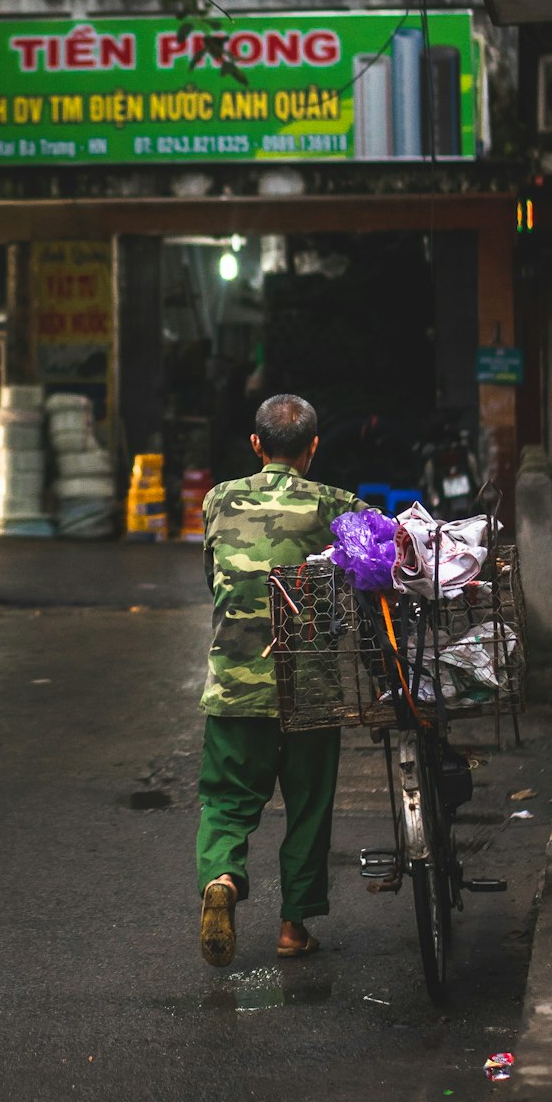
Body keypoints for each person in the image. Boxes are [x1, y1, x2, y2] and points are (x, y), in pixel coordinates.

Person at [197, 392, 367, 967]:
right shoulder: (336, 506)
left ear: (255, 444)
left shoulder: (218, 500)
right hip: (309, 690)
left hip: (234, 686)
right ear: (313, 447)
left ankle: (221, 877)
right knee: (309, 806)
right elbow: (369, 569)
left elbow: (213, 578)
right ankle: (293, 929)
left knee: (226, 801)